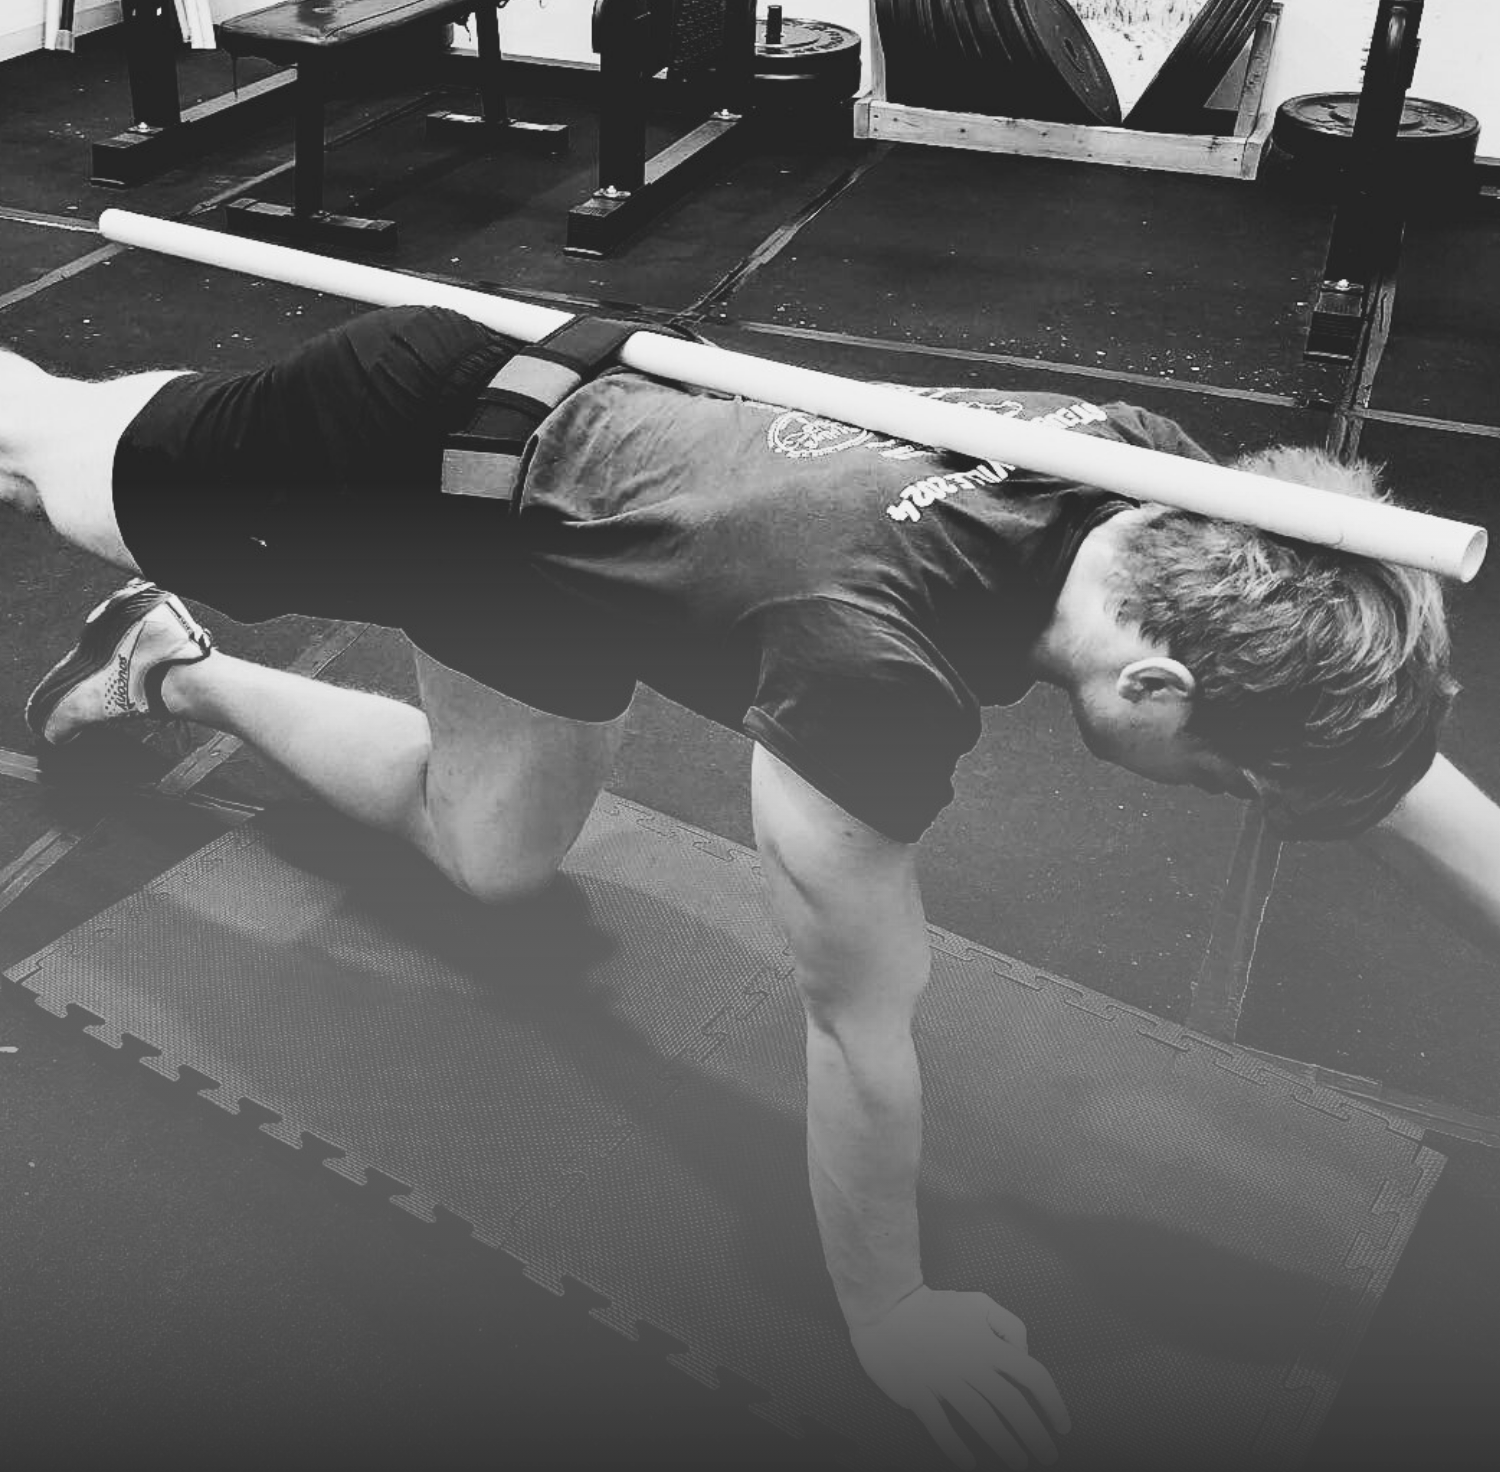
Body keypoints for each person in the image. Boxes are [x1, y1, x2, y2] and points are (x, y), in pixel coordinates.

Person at [4, 305, 1498, 1470]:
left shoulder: (1163, 497)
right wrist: (891, 1314)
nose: (1231, 804)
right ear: (1161, 682)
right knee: (62, 458)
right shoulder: (873, 667)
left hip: (534, 540)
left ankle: (167, 665)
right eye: (1227, 780)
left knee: (492, 862)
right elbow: (858, 1022)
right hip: (396, 440)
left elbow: (1364, 759)